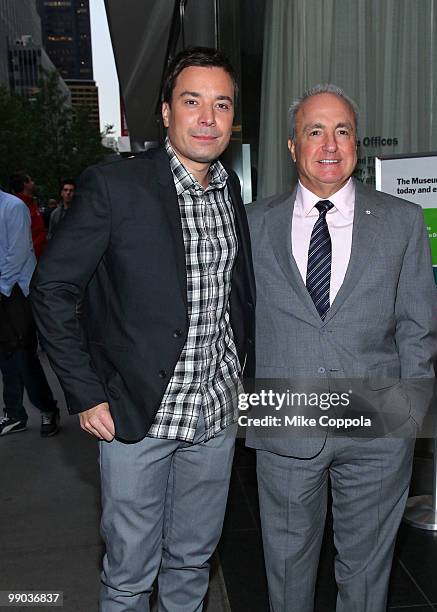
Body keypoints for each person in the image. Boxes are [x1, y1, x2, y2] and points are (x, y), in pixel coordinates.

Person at [31, 46, 255, 611]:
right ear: (165, 112)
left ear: (233, 117)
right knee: (130, 574)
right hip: (136, 416)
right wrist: (83, 393)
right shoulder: (115, 188)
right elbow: (53, 290)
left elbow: (234, 296)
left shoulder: (229, 189)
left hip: (214, 415)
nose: (208, 117)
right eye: (192, 101)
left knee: (193, 563)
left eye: (221, 104)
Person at [246, 84, 437, 611]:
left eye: (342, 131)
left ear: (358, 143)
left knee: (367, 569)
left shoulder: (403, 220)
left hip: (377, 424)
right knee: (286, 569)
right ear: (292, 146)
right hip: (284, 418)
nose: (329, 145)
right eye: (314, 131)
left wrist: (407, 417)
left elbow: (418, 327)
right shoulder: (251, 223)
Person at [0, 189, 59, 437]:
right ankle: (14, 414)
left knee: (23, 354)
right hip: (4, 289)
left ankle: (47, 409)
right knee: (5, 356)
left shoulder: (12, 207)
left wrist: (1, 286)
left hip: (16, 292)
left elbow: (19, 253)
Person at [10, 171, 47, 258]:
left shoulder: (31, 203)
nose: (33, 183)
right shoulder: (17, 207)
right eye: (31, 181)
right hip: (30, 261)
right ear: (25, 184)